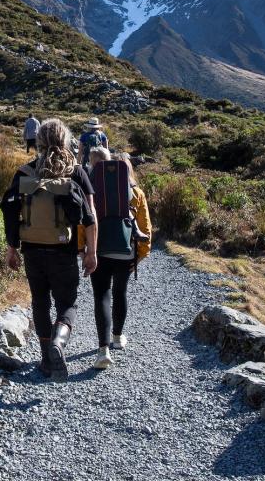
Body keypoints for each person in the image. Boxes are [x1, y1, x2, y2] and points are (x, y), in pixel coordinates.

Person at [1, 118, 98, 380]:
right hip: (63, 250)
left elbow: (11, 213)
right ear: (65, 140)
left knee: (40, 301)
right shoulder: (76, 172)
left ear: (38, 142)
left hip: (32, 250)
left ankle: (46, 360)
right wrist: (91, 252)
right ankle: (59, 342)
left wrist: (12, 249)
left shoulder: (24, 172)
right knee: (67, 302)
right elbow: (90, 217)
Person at [86, 149, 152, 370]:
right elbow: (146, 229)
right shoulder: (138, 193)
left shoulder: (94, 189)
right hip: (127, 252)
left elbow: (84, 220)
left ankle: (103, 350)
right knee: (120, 292)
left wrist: (84, 250)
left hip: (100, 249)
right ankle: (117, 337)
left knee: (101, 296)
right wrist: (140, 255)